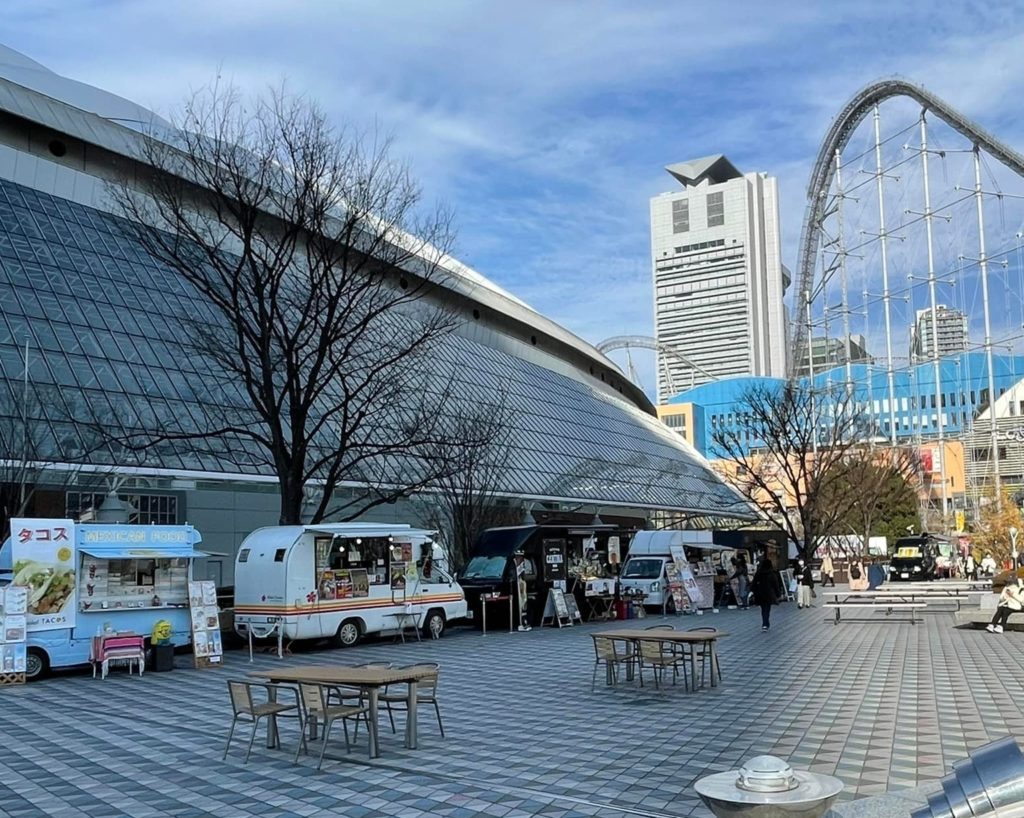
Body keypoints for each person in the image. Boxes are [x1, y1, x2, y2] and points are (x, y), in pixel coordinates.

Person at [751, 558, 783, 631]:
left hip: (760, 593)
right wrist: (778, 594)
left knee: (763, 609)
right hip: (769, 594)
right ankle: (765, 623)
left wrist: (753, 590)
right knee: (767, 609)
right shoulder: (772, 573)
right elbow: (776, 585)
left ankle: (764, 623)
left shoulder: (758, 573)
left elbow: (753, 584)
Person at [513, 551, 531, 632]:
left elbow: (529, 574)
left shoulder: (526, 562)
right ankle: (519, 622)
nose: (519, 558)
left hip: (523, 583)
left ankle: (524, 621)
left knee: (524, 602)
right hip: (515, 585)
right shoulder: (512, 562)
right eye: (517, 556)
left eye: (520, 556)